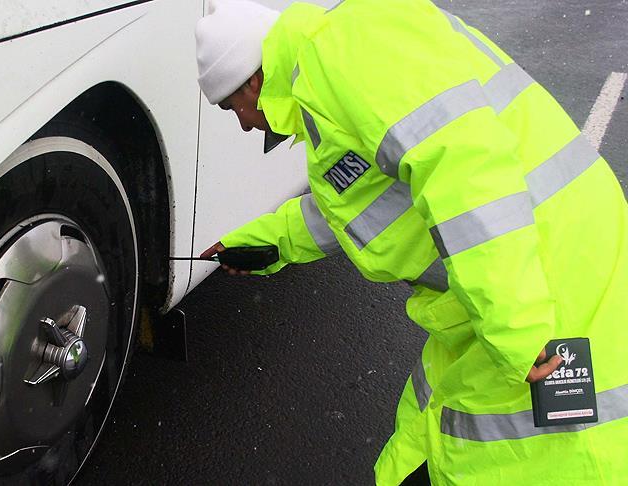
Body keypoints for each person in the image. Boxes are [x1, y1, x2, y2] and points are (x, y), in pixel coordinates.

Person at [194, 1, 628, 484]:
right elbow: (362, 207)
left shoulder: (343, 50)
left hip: (548, 281)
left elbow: (466, 175)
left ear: (252, 82)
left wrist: (518, 332)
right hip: (500, 289)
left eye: (234, 108)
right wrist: (259, 245)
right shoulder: (325, 83)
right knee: (434, 436)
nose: (245, 125)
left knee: (516, 459)